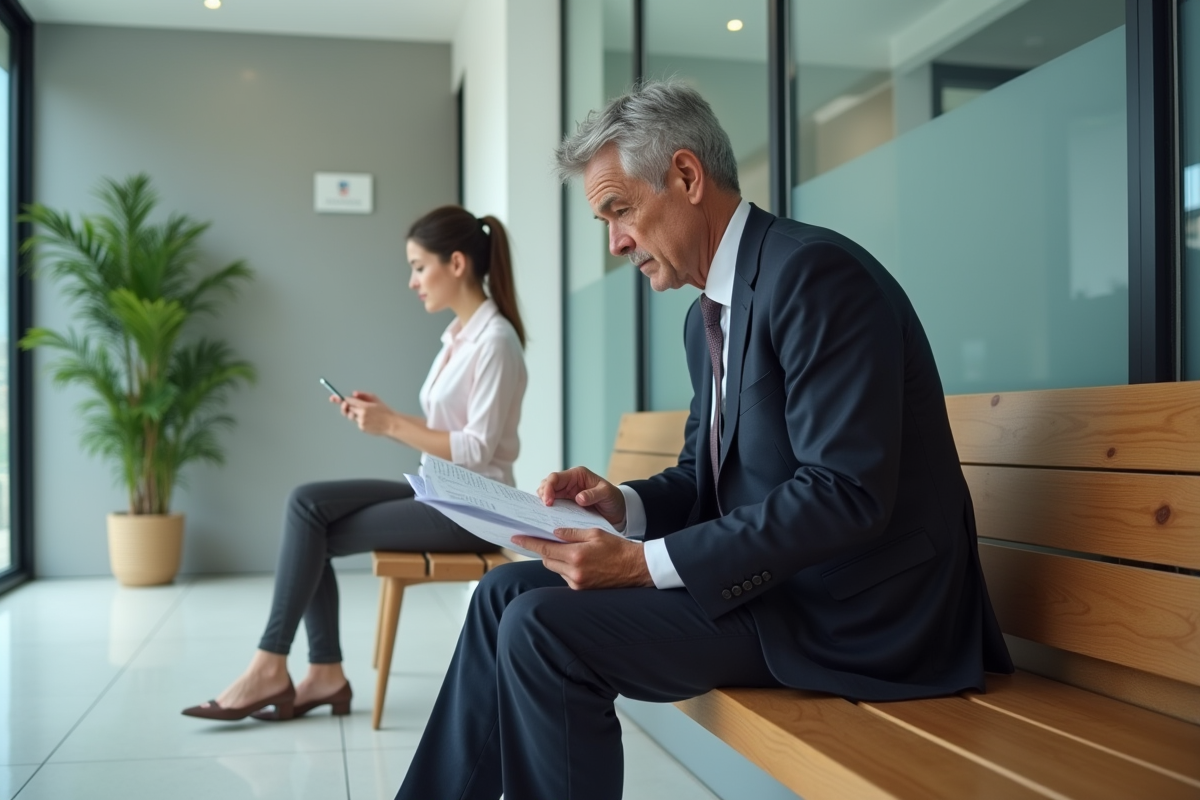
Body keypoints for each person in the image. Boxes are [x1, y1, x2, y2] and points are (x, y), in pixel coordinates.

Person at [393, 82, 1012, 800]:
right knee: (505, 594)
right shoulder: (708, 317)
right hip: (779, 587)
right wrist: (618, 504)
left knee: (541, 627)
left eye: (620, 211)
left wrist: (640, 564)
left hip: (856, 613)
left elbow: (845, 494)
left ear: (686, 177)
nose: (617, 242)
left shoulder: (814, 276)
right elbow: (701, 478)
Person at [182, 205, 528, 722]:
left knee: (311, 528)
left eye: (417, 266)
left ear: (456, 263)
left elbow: (476, 449)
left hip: (473, 510)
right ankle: (312, 672)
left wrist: (389, 425)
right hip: (440, 490)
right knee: (307, 503)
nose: (412, 281)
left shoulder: (495, 341)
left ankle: (277, 668)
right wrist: (386, 416)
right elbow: (449, 430)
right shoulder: (456, 339)